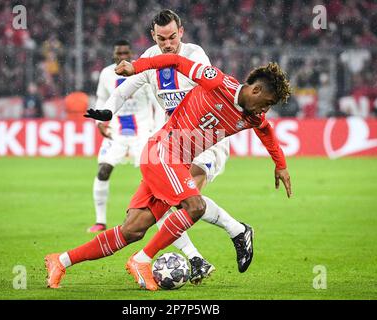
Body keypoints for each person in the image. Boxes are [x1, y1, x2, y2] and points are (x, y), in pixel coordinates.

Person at [45, 53, 292, 291]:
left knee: (133, 229)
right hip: (163, 152)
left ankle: (61, 261)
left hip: (176, 163)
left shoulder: (251, 116)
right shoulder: (217, 81)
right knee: (194, 206)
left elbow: (266, 131)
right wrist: (137, 66)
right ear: (256, 90)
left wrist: (280, 165)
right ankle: (142, 260)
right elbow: (175, 60)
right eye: (267, 103)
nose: (265, 110)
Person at [97, 9, 249, 283]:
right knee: (170, 201)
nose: (167, 43)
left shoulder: (194, 54)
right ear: (153, 36)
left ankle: (235, 231)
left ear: (181, 31)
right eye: (161, 38)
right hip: (174, 141)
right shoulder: (149, 58)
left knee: (186, 198)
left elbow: (178, 63)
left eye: (171, 36)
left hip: (206, 138)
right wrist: (107, 110)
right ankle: (199, 256)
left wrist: (147, 63)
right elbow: (124, 89)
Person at [88, 39, 160, 233]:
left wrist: (159, 128)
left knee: (153, 176)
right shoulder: (106, 74)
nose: (122, 57)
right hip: (116, 133)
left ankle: (162, 218)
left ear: (131, 54)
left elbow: (157, 100)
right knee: (103, 170)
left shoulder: (143, 71)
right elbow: (103, 99)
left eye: (126, 53)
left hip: (143, 132)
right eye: (119, 54)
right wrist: (99, 122)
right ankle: (100, 221)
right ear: (114, 54)